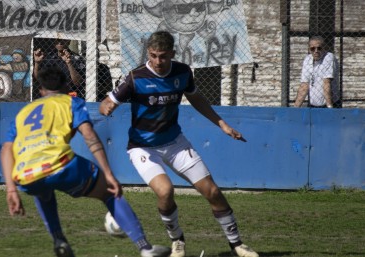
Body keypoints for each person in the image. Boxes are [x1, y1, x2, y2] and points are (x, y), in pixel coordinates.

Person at [99, 31, 259, 257]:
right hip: (142, 147)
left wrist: (221, 124)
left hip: (175, 142)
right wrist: (106, 106)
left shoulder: (183, 72)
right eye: (153, 56)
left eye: (163, 56)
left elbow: (196, 99)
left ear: (172, 54)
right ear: (148, 53)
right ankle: (177, 241)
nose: (158, 61)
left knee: (212, 192)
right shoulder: (136, 77)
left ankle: (237, 245)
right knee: (165, 191)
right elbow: (107, 102)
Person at [0, 67, 171, 257]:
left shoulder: (23, 112)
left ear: (41, 91)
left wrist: (10, 189)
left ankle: (59, 240)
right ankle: (145, 248)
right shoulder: (71, 102)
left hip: (26, 175)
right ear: (66, 87)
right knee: (110, 192)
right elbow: (89, 135)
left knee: (43, 190)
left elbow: (7, 149)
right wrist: (108, 173)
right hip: (61, 164)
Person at [294, 36, 340, 108]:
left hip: (330, 103)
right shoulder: (307, 59)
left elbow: (326, 82)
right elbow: (304, 85)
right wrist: (295, 108)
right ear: (309, 50)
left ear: (324, 48)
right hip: (313, 104)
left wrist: (330, 108)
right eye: (313, 49)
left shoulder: (329, 57)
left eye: (319, 48)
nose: (316, 51)